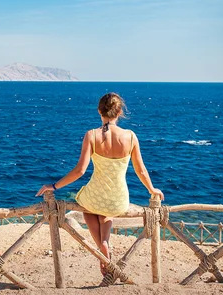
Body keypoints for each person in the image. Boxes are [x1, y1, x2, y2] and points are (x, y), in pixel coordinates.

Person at [36, 92, 164, 275]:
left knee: (86, 205)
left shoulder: (92, 135)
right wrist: (152, 189)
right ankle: (105, 242)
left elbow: (80, 171)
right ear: (119, 112)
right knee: (106, 212)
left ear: (99, 111)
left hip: (95, 196)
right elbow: (140, 170)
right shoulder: (130, 136)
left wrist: (54, 186)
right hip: (119, 199)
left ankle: (102, 249)